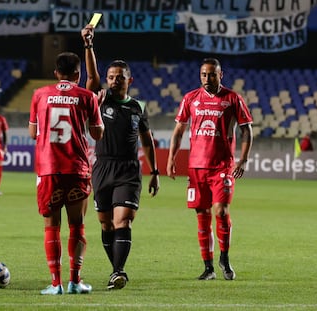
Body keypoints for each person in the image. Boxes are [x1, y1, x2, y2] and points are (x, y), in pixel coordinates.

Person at [81, 25, 160, 290]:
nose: (114, 80)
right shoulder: (99, 100)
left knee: (122, 220)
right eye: (111, 76)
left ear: (130, 80)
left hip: (128, 170)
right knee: (105, 225)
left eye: (119, 77)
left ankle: (118, 271)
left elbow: (147, 141)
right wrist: (89, 45)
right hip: (102, 167)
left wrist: (155, 172)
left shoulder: (139, 107)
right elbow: (91, 78)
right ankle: (115, 270)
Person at [166, 58, 253, 281]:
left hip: (222, 167)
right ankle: (208, 267)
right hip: (196, 167)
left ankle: (224, 258)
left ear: (220, 75)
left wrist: (242, 160)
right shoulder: (190, 98)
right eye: (204, 74)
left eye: (212, 74)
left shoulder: (233, 98)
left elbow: (246, 130)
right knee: (202, 216)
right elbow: (178, 131)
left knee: (221, 212)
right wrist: (171, 158)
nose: (207, 78)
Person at [28, 52, 104, 295]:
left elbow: (32, 133)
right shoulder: (87, 96)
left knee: (51, 226)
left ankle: (55, 284)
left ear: (55, 73)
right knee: (77, 225)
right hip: (77, 168)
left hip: (49, 169)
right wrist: (95, 108)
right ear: (78, 74)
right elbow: (98, 134)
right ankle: (75, 281)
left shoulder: (39, 94)